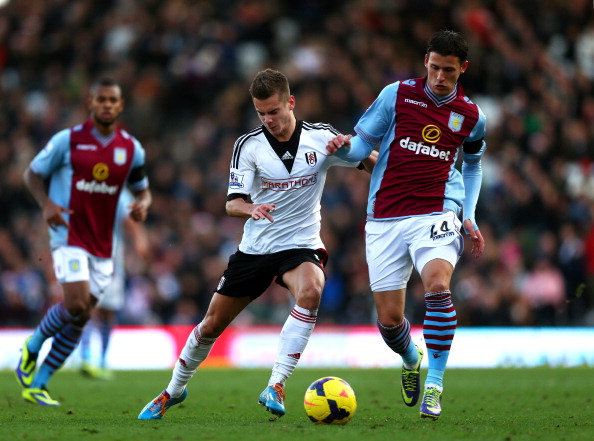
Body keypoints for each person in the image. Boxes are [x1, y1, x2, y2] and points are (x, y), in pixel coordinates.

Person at [138, 68, 376, 420]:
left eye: (274, 112)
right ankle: (172, 391)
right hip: (256, 248)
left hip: (300, 244)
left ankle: (276, 384)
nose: (269, 120)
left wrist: (359, 152)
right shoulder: (248, 146)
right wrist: (251, 208)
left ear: (290, 103)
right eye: (261, 113)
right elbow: (232, 203)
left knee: (311, 290)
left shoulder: (321, 138)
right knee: (211, 326)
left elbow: (372, 164)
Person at [325, 30, 486, 420]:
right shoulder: (395, 95)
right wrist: (341, 147)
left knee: (437, 286)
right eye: (434, 68)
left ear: (462, 68)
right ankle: (410, 358)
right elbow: (362, 150)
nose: (439, 77)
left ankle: (434, 384)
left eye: (448, 71)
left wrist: (468, 214)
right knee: (390, 320)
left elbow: (473, 165)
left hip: (437, 211)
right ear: (425, 62)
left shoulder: (472, 117)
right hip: (385, 215)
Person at [16, 77, 151, 406]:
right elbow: (32, 173)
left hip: (105, 247)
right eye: (100, 99)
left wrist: (143, 204)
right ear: (91, 104)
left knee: (80, 317)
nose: (106, 105)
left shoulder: (131, 149)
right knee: (76, 304)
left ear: (120, 106)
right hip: (69, 235)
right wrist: (47, 203)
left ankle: (39, 383)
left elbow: (142, 187)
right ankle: (32, 346)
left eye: (112, 100)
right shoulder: (68, 140)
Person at [79, 188, 149, 380]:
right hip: (88, 256)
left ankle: (101, 360)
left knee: (107, 311)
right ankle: (86, 358)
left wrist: (139, 239)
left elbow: (129, 220)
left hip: (111, 260)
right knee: (90, 306)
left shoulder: (117, 193)